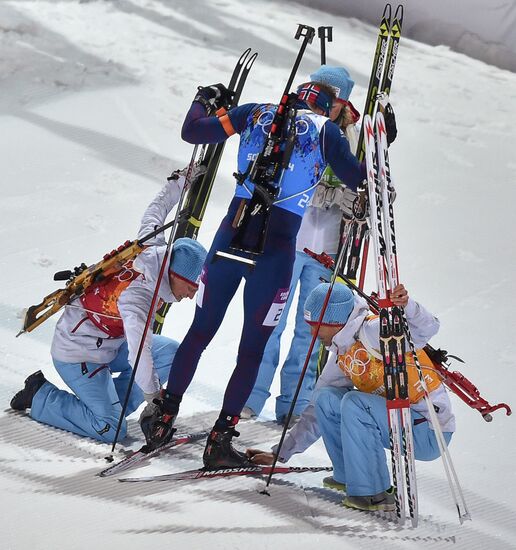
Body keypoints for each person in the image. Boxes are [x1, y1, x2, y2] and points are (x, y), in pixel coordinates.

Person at [144, 77, 367, 469]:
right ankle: (219, 441)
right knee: (252, 348)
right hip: (276, 252)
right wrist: (379, 151)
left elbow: (193, 131)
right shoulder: (326, 131)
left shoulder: (255, 113)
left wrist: (204, 100)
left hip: (228, 238)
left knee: (200, 331)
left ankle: (164, 417)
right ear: (327, 106)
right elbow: (360, 179)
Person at [10, 169, 207, 444]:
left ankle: (110, 405)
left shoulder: (155, 248)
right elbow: (140, 353)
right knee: (111, 429)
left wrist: (180, 183)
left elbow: (155, 212)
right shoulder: (138, 298)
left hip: (110, 342)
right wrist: (154, 398)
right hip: (78, 352)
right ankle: (40, 395)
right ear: (175, 275)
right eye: (191, 287)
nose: (190, 295)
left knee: (171, 352)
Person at [247, 282, 455, 512]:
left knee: (355, 403)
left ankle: (373, 491)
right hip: (396, 422)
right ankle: (351, 475)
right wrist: (280, 454)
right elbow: (315, 412)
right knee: (326, 399)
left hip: (427, 430)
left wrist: (408, 306)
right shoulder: (342, 352)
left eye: (317, 326)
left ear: (336, 323)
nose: (312, 334)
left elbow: (427, 329)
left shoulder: (375, 331)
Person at [243, 65, 364, 424]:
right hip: (286, 241)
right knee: (269, 322)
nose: (325, 104)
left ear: (343, 102)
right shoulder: (296, 125)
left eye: (335, 99)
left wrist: (354, 199)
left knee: (310, 331)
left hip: (327, 249)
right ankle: (250, 397)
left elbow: (367, 184)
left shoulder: (356, 137)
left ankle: (293, 405)